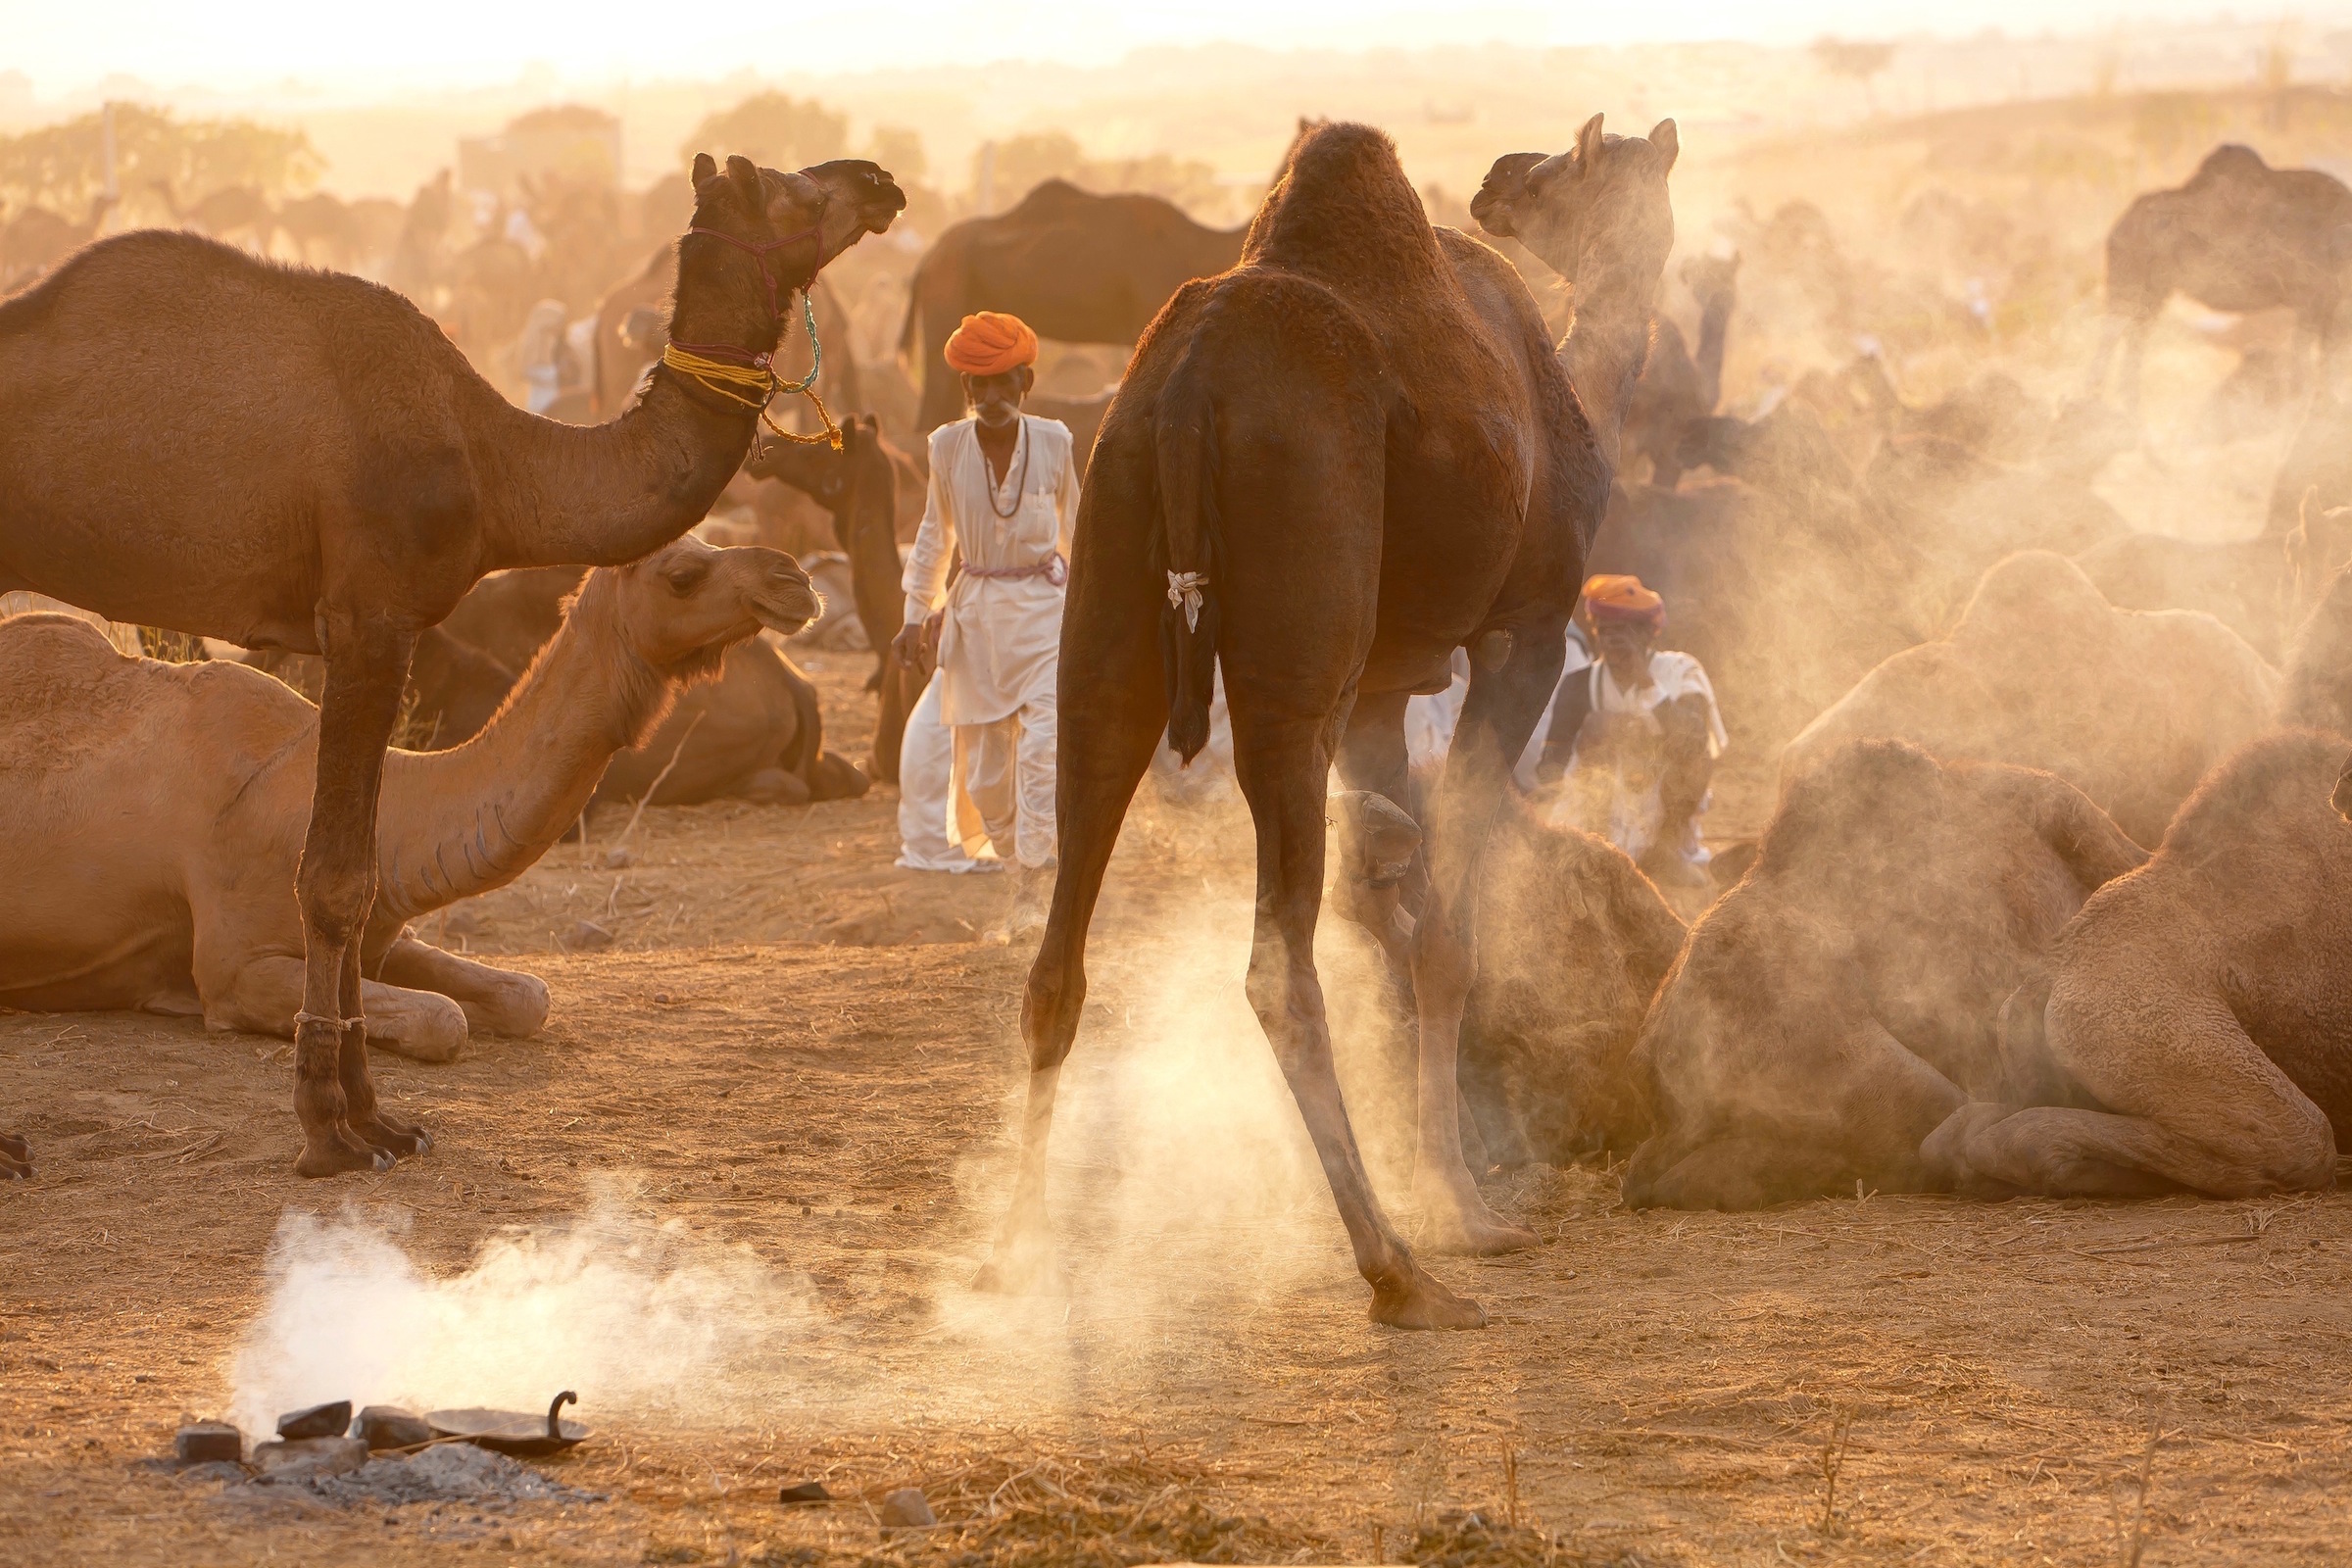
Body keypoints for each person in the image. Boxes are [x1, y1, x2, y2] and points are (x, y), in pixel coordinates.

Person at [892, 312, 1081, 933]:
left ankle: (1037, 885)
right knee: (986, 779)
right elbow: (932, 538)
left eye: (1005, 383)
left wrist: (1093, 612)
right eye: (980, 387)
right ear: (966, 392)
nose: (993, 398)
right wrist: (915, 616)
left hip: (1045, 615)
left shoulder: (1054, 441)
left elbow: (1079, 532)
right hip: (976, 624)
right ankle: (1017, 862)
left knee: (1044, 753)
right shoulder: (945, 447)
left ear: (1026, 383)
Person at [1542, 574, 1725, 885]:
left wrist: (1646, 686)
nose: (1614, 640)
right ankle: (1597, 853)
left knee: (1691, 755)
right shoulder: (1579, 684)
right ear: (1595, 631)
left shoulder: (1681, 672)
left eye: (1624, 630)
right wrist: (1588, 742)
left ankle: (1666, 855)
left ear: (1647, 634)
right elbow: (1549, 766)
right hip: (1598, 811)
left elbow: (1694, 740)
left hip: (1665, 811)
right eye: (1606, 630)